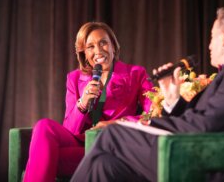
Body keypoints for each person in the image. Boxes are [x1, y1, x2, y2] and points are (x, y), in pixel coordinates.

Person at [71, 5, 224, 182]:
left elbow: (206, 125)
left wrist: (149, 124)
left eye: (211, 37)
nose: (209, 46)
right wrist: (172, 97)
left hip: (204, 161)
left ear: (223, 38)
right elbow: (208, 117)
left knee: (112, 134)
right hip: (191, 147)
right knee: (103, 166)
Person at [23, 22, 153, 181]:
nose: (98, 50)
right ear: (83, 52)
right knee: (44, 126)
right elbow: (70, 129)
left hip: (112, 146)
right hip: (82, 144)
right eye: (90, 46)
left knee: (46, 158)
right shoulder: (74, 78)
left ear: (113, 46)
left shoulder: (136, 73)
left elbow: (153, 114)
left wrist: (116, 123)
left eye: (103, 42)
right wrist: (82, 103)